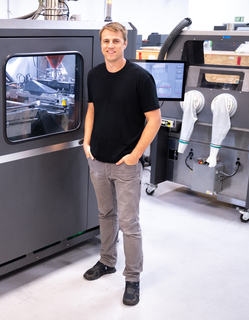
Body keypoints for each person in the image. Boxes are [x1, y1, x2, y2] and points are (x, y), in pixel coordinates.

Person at [82, 22, 161, 306]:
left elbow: (154, 120)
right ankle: (107, 261)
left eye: (115, 41)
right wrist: (86, 143)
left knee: (129, 223)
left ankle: (132, 278)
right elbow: (92, 110)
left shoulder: (140, 78)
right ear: (101, 43)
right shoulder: (94, 74)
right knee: (105, 215)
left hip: (126, 163)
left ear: (125, 43)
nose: (110, 46)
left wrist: (135, 155)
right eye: (106, 41)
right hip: (98, 160)